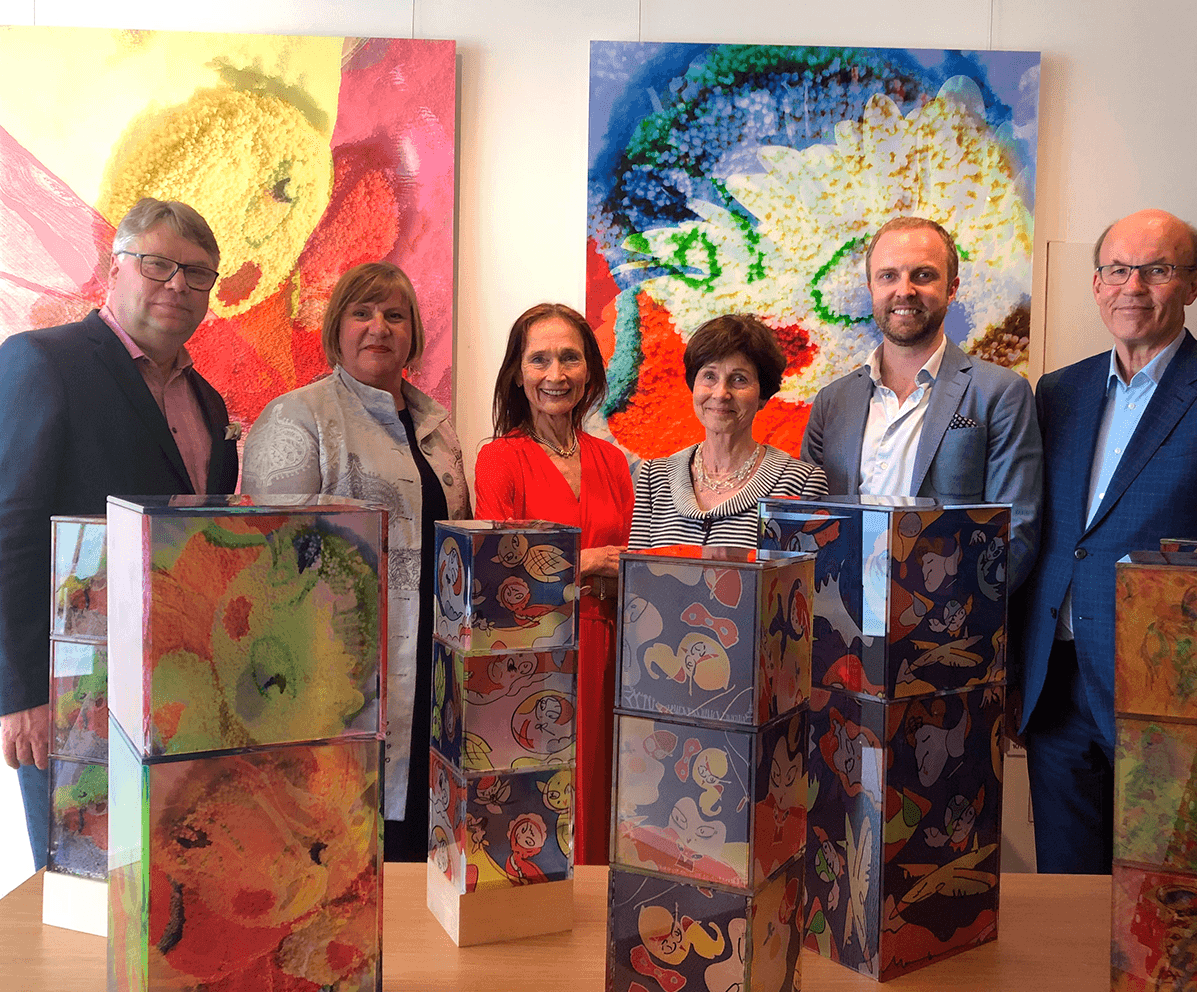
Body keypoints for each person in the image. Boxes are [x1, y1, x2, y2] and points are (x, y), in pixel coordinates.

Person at [1013, 209, 1197, 873]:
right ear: (1097, 285)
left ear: (1193, 284)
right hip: (1056, 689)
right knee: (1067, 887)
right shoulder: (1058, 392)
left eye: (1157, 270)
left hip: (1174, 699)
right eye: (1117, 270)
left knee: (1162, 894)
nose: (1133, 287)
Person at [0, 198, 239, 870]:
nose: (178, 284)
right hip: (71, 694)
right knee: (86, 886)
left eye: (197, 273)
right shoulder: (40, 362)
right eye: (158, 264)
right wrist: (21, 695)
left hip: (177, 691)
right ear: (115, 269)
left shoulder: (209, 403)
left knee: (169, 879)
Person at [241, 261, 471, 862]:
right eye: (362, 313)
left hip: (432, 671)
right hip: (338, 676)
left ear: (413, 333)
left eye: (395, 315)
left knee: (420, 836)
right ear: (336, 329)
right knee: (343, 844)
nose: (379, 327)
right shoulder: (298, 417)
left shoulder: (438, 428)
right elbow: (270, 566)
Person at [800, 216, 1042, 590]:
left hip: (946, 614)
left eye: (923, 275)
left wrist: (936, 612)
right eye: (888, 276)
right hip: (840, 612)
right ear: (871, 288)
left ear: (952, 288)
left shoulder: (1001, 393)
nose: (905, 290)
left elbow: (1016, 529)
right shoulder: (832, 402)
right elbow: (808, 520)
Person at [474, 303, 633, 865]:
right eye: (539, 359)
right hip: (536, 657)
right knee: (544, 805)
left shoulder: (613, 461)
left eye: (570, 358)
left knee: (606, 796)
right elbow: (495, 576)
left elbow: (631, 562)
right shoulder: (499, 459)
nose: (555, 374)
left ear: (590, 370)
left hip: (609, 650)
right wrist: (585, 562)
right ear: (518, 373)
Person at [629, 314, 828, 548]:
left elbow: (805, 571)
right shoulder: (654, 477)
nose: (721, 393)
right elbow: (637, 569)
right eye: (709, 376)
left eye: (739, 379)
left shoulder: (801, 483)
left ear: (763, 395)